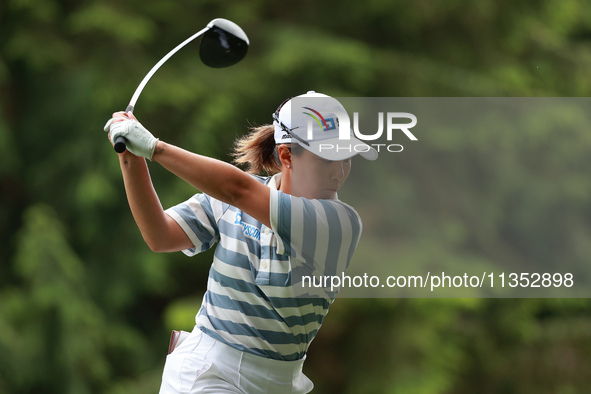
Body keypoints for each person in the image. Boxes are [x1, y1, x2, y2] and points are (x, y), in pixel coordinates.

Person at [104, 91, 377, 393]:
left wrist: (155, 148)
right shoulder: (231, 199)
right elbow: (160, 235)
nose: (339, 172)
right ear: (286, 156)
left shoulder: (339, 223)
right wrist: (130, 155)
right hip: (209, 372)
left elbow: (238, 190)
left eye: (345, 157)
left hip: (280, 383)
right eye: (327, 159)